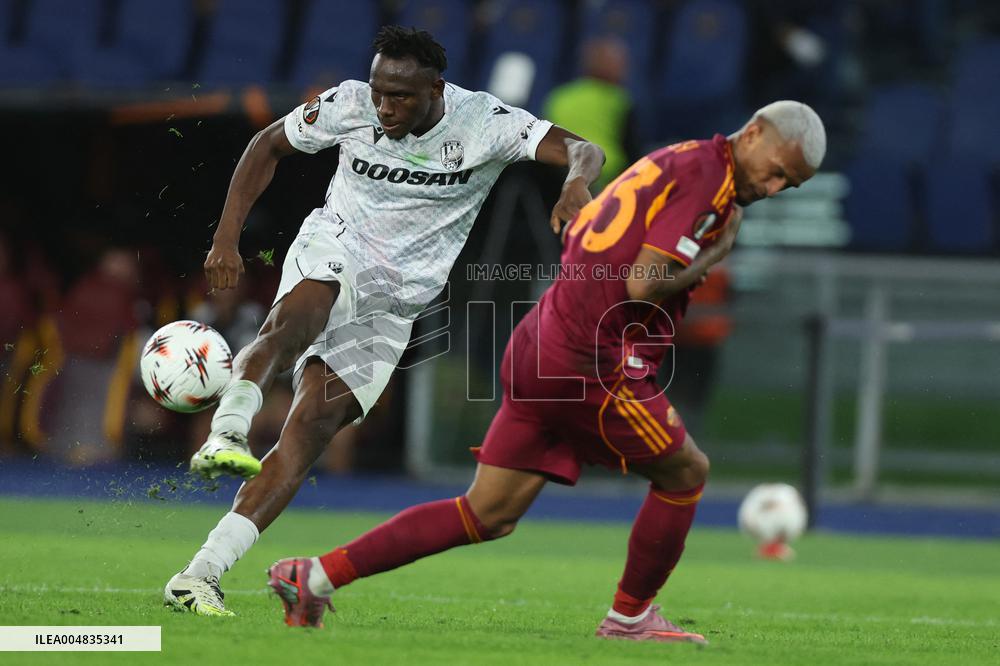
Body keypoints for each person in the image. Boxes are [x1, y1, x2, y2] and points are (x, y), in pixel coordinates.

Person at [267, 101, 826, 641]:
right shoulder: (712, 183)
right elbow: (644, 282)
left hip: (543, 340)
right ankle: (631, 619)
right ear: (752, 134)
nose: (773, 190)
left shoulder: (678, 157)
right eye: (777, 173)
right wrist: (712, 256)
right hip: (589, 362)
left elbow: (590, 239)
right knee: (686, 474)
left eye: (789, 186)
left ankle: (312, 576)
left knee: (486, 512)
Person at [163, 26, 604, 615]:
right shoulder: (349, 105)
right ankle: (229, 427)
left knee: (305, 439)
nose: (384, 107)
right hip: (337, 244)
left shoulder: (485, 123)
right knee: (297, 316)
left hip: (396, 304)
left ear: (435, 90)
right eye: (379, 92)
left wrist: (575, 181)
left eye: (400, 96)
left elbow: (585, 148)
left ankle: (199, 575)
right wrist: (225, 240)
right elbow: (266, 144)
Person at [541, 37, 639, 191]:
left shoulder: (559, 97)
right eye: (622, 64)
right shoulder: (618, 100)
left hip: (558, 175)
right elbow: (632, 148)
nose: (625, 69)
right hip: (605, 176)